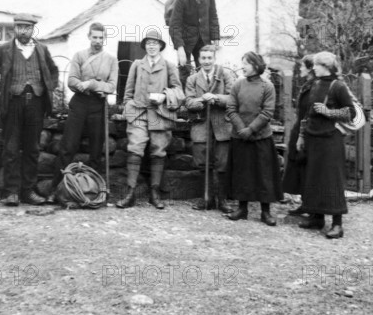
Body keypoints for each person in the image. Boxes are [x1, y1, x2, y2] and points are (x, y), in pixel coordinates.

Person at [0, 14, 59, 206]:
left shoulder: (42, 49)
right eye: (20, 28)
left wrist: (48, 89)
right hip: (13, 103)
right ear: (14, 29)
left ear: (33, 30)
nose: (23, 31)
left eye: (27, 28)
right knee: (10, 148)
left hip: (36, 103)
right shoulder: (4, 49)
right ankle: (11, 192)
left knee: (32, 149)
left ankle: (28, 191)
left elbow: (53, 70)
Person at [47, 23, 118, 203]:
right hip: (79, 103)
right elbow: (71, 79)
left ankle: (94, 192)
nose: (97, 41)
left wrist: (92, 84)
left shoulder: (111, 60)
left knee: (96, 150)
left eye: (101, 38)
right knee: (67, 147)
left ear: (104, 39)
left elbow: (112, 86)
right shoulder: (79, 56)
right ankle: (56, 189)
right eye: (94, 37)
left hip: (98, 106)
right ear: (89, 37)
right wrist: (83, 86)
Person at [116, 29, 184, 210]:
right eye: (148, 43)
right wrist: (128, 108)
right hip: (138, 112)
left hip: (159, 113)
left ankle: (155, 193)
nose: (152, 46)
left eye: (155, 43)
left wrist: (164, 95)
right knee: (135, 148)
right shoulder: (137, 64)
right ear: (145, 46)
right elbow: (127, 91)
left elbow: (179, 91)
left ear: (161, 46)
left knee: (158, 150)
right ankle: (130, 192)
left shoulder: (169, 66)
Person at [297, 51, 355, 239]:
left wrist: (329, 112)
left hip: (331, 140)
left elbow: (351, 113)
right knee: (314, 178)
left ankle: (337, 224)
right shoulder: (315, 84)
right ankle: (317, 217)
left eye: (316, 65)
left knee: (332, 180)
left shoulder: (338, 86)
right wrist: (301, 136)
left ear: (326, 67)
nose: (313, 68)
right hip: (313, 138)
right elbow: (307, 114)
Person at [226, 52, 282, 226]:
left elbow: (267, 112)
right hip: (240, 137)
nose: (243, 66)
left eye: (246, 64)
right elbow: (231, 108)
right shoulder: (237, 85)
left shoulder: (268, 87)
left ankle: (266, 212)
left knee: (263, 174)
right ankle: (242, 209)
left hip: (261, 138)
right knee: (242, 173)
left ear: (257, 65)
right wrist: (241, 129)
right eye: (242, 63)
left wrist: (251, 129)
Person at [185, 44, 235, 213]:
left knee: (222, 162)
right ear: (199, 60)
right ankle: (206, 198)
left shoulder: (225, 74)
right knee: (201, 161)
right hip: (201, 124)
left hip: (222, 125)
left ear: (214, 59)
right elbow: (189, 102)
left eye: (209, 58)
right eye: (203, 58)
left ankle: (222, 200)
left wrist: (216, 98)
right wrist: (202, 100)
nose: (206, 61)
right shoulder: (192, 79)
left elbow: (232, 99)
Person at [168, 0, 220, 87]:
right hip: (185, 42)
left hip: (204, 41)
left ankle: (203, 99)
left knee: (205, 71)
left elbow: (213, 16)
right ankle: (185, 100)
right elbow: (174, 25)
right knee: (184, 72)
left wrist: (216, 38)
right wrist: (180, 48)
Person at [281, 54, 315, 215]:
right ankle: (304, 204)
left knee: (307, 167)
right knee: (299, 167)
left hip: (308, 132)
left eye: (303, 66)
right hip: (299, 129)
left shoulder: (316, 86)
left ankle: (311, 206)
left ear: (310, 69)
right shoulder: (308, 85)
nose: (300, 68)